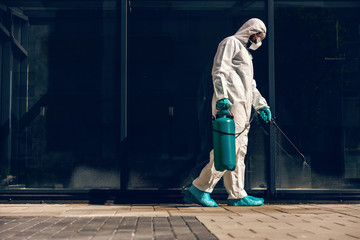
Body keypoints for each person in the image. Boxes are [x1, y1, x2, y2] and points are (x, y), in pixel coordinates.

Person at [183, 18, 272, 207]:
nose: (259, 41)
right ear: (251, 31)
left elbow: (250, 86)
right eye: (258, 36)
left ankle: (237, 194)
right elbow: (219, 71)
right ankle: (199, 188)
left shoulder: (246, 54)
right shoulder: (230, 42)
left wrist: (261, 105)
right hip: (230, 105)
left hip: (242, 107)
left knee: (239, 150)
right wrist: (222, 97)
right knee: (227, 151)